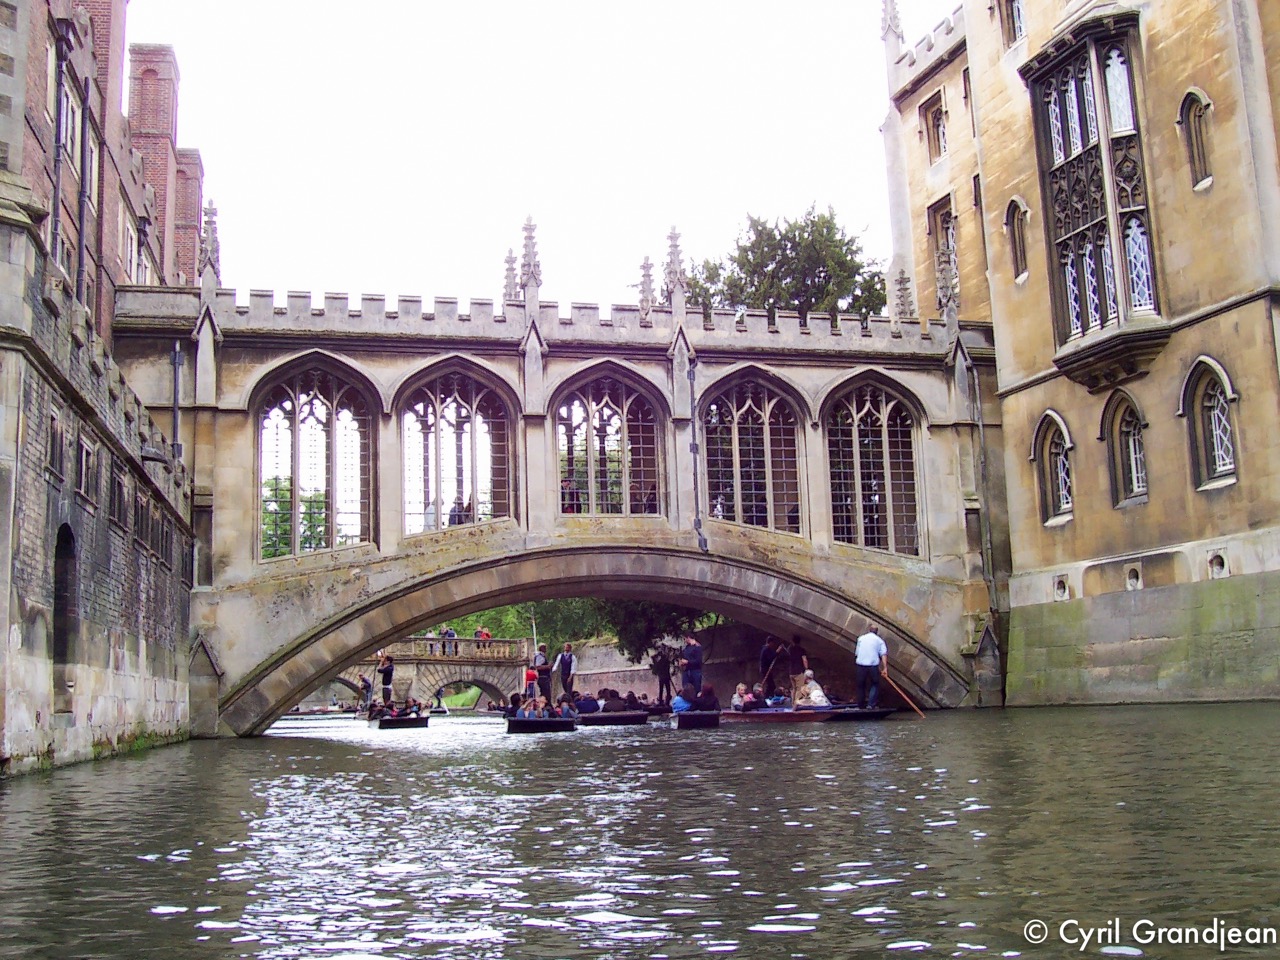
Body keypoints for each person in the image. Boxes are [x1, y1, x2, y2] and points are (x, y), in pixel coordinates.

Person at [855, 622, 889, 709]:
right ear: (877, 632)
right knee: (875, 684)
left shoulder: (861, 639)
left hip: (861, 664)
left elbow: (857, 653)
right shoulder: (880, 641)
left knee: (861, 685)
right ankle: (871, 704)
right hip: (872, 666)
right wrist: (885, 668)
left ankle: (861, 705)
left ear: (869, 630)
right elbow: (883, 654)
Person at [786, 637, 809, 702]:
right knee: (799, 689)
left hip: (791, 672)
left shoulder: (790, 649)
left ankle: (793, 703)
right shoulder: (801, 650)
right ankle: (797, 703)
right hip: (798, 671)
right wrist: (807, 669)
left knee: (794, 689)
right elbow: (804, 660)